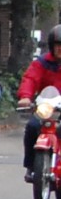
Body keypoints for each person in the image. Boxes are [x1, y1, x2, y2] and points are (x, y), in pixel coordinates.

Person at [17, 26, 61, 182]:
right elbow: (30, 79)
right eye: (58, 45)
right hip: (48, 107)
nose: (60, 49)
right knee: (32, 126)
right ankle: (31, 166)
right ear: (51, 46)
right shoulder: (42, 63)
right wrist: (25, 97)